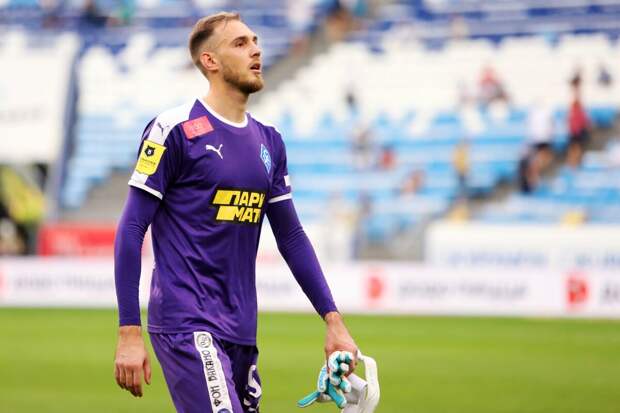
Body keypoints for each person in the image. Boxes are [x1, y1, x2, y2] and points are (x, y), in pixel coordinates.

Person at [113, 12, 358, 413]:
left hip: (242, 329)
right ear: (210, 61)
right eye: (240, 43)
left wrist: (334, 321)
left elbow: (291, 237)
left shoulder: (270, 141)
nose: (256, 50)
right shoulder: (174, 129)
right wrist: (128, 331)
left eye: (255, 41)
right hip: (186, 320)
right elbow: (132, 226)